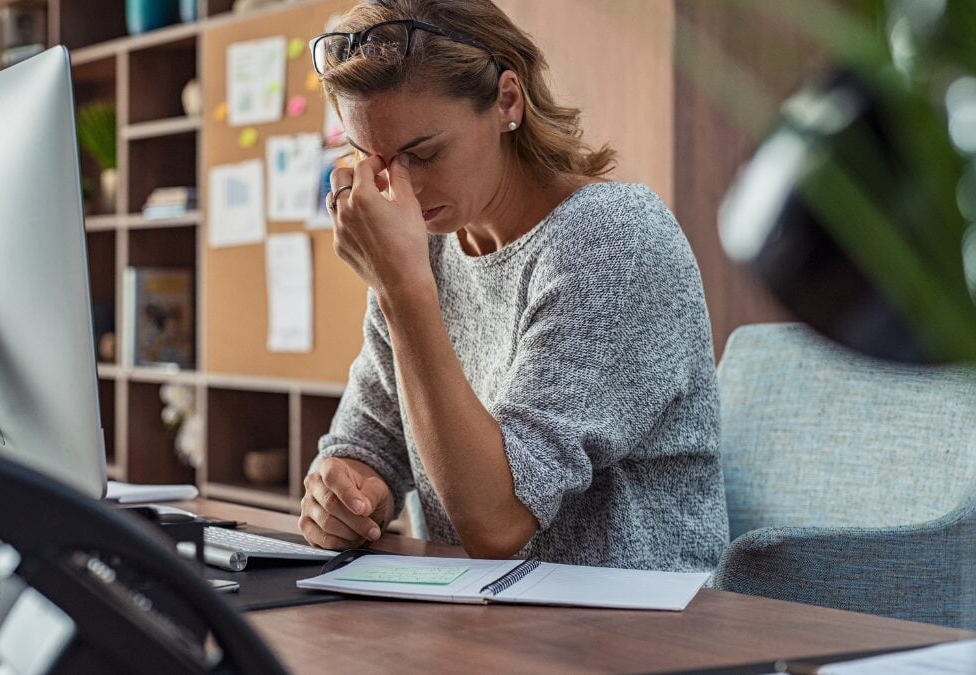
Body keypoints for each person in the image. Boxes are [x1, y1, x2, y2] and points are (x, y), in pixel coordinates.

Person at [299, 0, 728, 571]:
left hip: (632, 630)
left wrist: (403, 290)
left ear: (507, 100)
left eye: (422, 154)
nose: (396, 188)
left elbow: (498, 522)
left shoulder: (611, 240)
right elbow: (370, 442)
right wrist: (345, 493)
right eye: (376, 160)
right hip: (482, 619)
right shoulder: (425, 247)